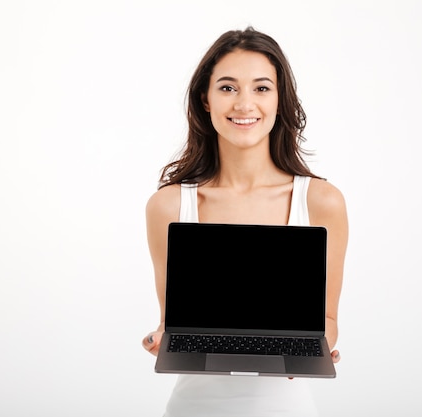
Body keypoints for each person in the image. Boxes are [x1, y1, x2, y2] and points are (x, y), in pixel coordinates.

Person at [142, 26, 349, 417]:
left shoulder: (322, 202)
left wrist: (314, 346)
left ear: (279, 99)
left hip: (285, 408)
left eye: (261, 88)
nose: (244, 104)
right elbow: (174, 320)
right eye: (227, 88)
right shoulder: (168, 206)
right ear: (205, 99)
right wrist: (162, 337)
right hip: (194, 407)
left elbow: (328, 319)